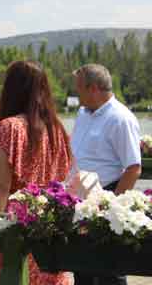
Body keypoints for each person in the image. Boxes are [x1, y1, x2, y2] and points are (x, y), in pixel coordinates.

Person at [0, 61, 73, 285]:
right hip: (45, 226)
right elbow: (60, 178)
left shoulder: (10, 128)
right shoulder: (57, 128)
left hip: (10, 229)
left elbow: (0, 188)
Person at [71, 64, 141, 285]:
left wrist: (111, 206)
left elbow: (133, 168)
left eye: (79, 89)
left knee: (109, 269)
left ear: (93, 89)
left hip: (106, 197)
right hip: (78, 197)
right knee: (81, 267)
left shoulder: (121, 118)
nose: (76, 94)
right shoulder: (82, 113)